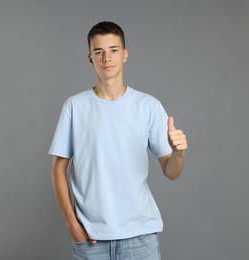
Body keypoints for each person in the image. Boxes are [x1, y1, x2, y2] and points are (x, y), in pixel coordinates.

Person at [49, 21, 187, 260]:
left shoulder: (148, 106)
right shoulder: (75, 107)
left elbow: (171, 172)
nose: (107, 58)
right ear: (90, 58)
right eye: (99, 52)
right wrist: (72, 224)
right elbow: (58, 169)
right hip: (91, 241)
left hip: (140, 238)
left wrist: (179, 154)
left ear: (125, 54)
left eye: (113, 50)